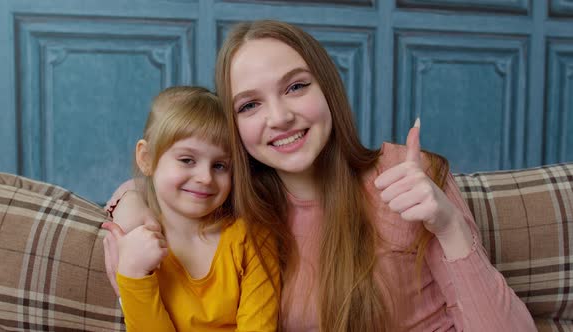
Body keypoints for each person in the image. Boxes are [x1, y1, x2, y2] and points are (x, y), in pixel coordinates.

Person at [105, 21, 535, 331]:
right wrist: (132, 203)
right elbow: (157, 179)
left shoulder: (408, 176)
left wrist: (449, 225)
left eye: (296, 87)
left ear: (327, 88)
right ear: (235, 128)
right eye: (249, 105)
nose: (280, 117)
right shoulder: (243, 209)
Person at [101, 86, 279, 331]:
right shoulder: (139, 245)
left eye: (219, 166)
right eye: (187, 160)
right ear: (146, 158)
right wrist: (133, 273)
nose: (205, 177)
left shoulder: (252, 239)